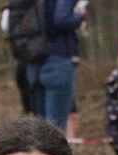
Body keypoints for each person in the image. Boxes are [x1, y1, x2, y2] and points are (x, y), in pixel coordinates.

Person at [27, 0, 87, 132]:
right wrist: (80, 16)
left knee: (40, 129)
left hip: (35, 63)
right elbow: (61, 20)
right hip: (58, 60)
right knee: (55, 127)